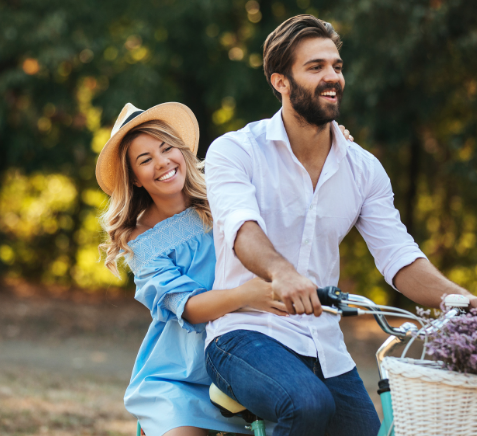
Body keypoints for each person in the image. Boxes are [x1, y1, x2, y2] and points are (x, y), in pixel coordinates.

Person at [203, 14, 477, 436]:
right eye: (315, 67)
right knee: (307, 405)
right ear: (280, 82)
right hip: (244, 334)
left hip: (324, 346)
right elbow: (241, 229)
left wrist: (460, 299)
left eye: (337, 66)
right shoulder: (235, 151)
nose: (332, 77)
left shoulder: (364, 170)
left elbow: (398, 257)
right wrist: (282, 273)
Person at [97, 103, 357, 436]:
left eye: (166, 148)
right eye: (145, 160)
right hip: (181, 374)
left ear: (182, 150)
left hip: (250, 359)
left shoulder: (223, 197)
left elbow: (289, 195)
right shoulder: (143, 239)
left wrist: (325, 150)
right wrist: (246, 295)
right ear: (134, 177)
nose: (162, 162)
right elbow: (187, 308)